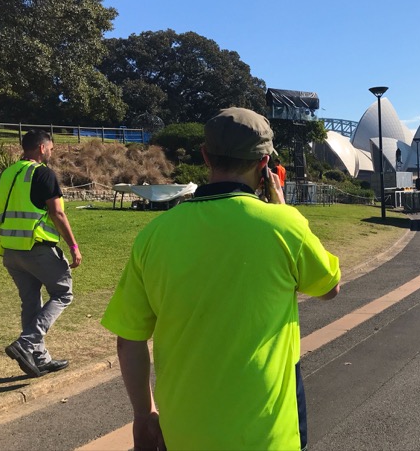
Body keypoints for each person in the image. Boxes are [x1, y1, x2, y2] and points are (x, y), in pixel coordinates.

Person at [101, 107, 341, 451]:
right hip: (269, 435)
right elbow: (330, 287)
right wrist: (284, 208)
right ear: (265, 163)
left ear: (205, 156)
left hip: (184, 433)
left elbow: (129, 340)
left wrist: (144, 414)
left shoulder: (155, 234)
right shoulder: (285, 226)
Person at [0, 129, 81, 378]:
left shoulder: (7, 174)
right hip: (37, 247)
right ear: (41, 148)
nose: (52, 152)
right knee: (63, 294)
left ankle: (38, 358)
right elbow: (58, 213)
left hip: (10, 251)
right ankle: (25, 344)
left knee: (31, 302)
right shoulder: (42, 173)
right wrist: (74, 246)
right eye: (51, 148)